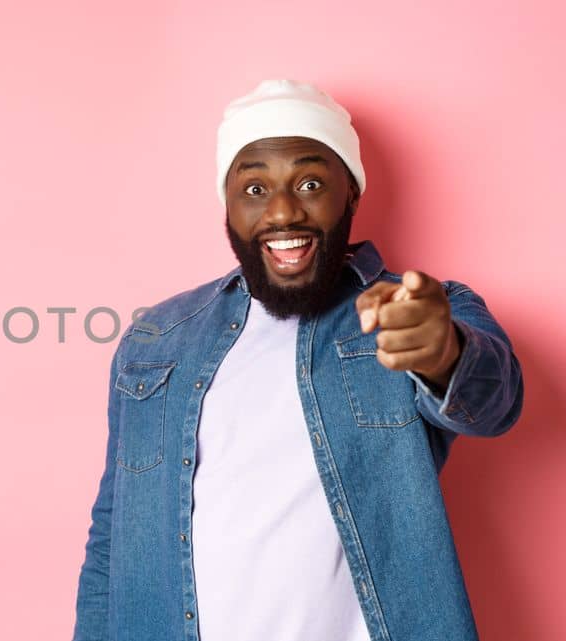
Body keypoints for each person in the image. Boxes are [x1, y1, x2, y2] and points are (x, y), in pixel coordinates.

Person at [70, 79, 525, 641]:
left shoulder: (421, 311)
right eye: (254, 188)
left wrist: (444, 354)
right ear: (228, 204)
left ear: (351, 193)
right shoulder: (158, 339)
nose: (283, 211)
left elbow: (495, 400)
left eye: (310, 183)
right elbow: (114, 535)